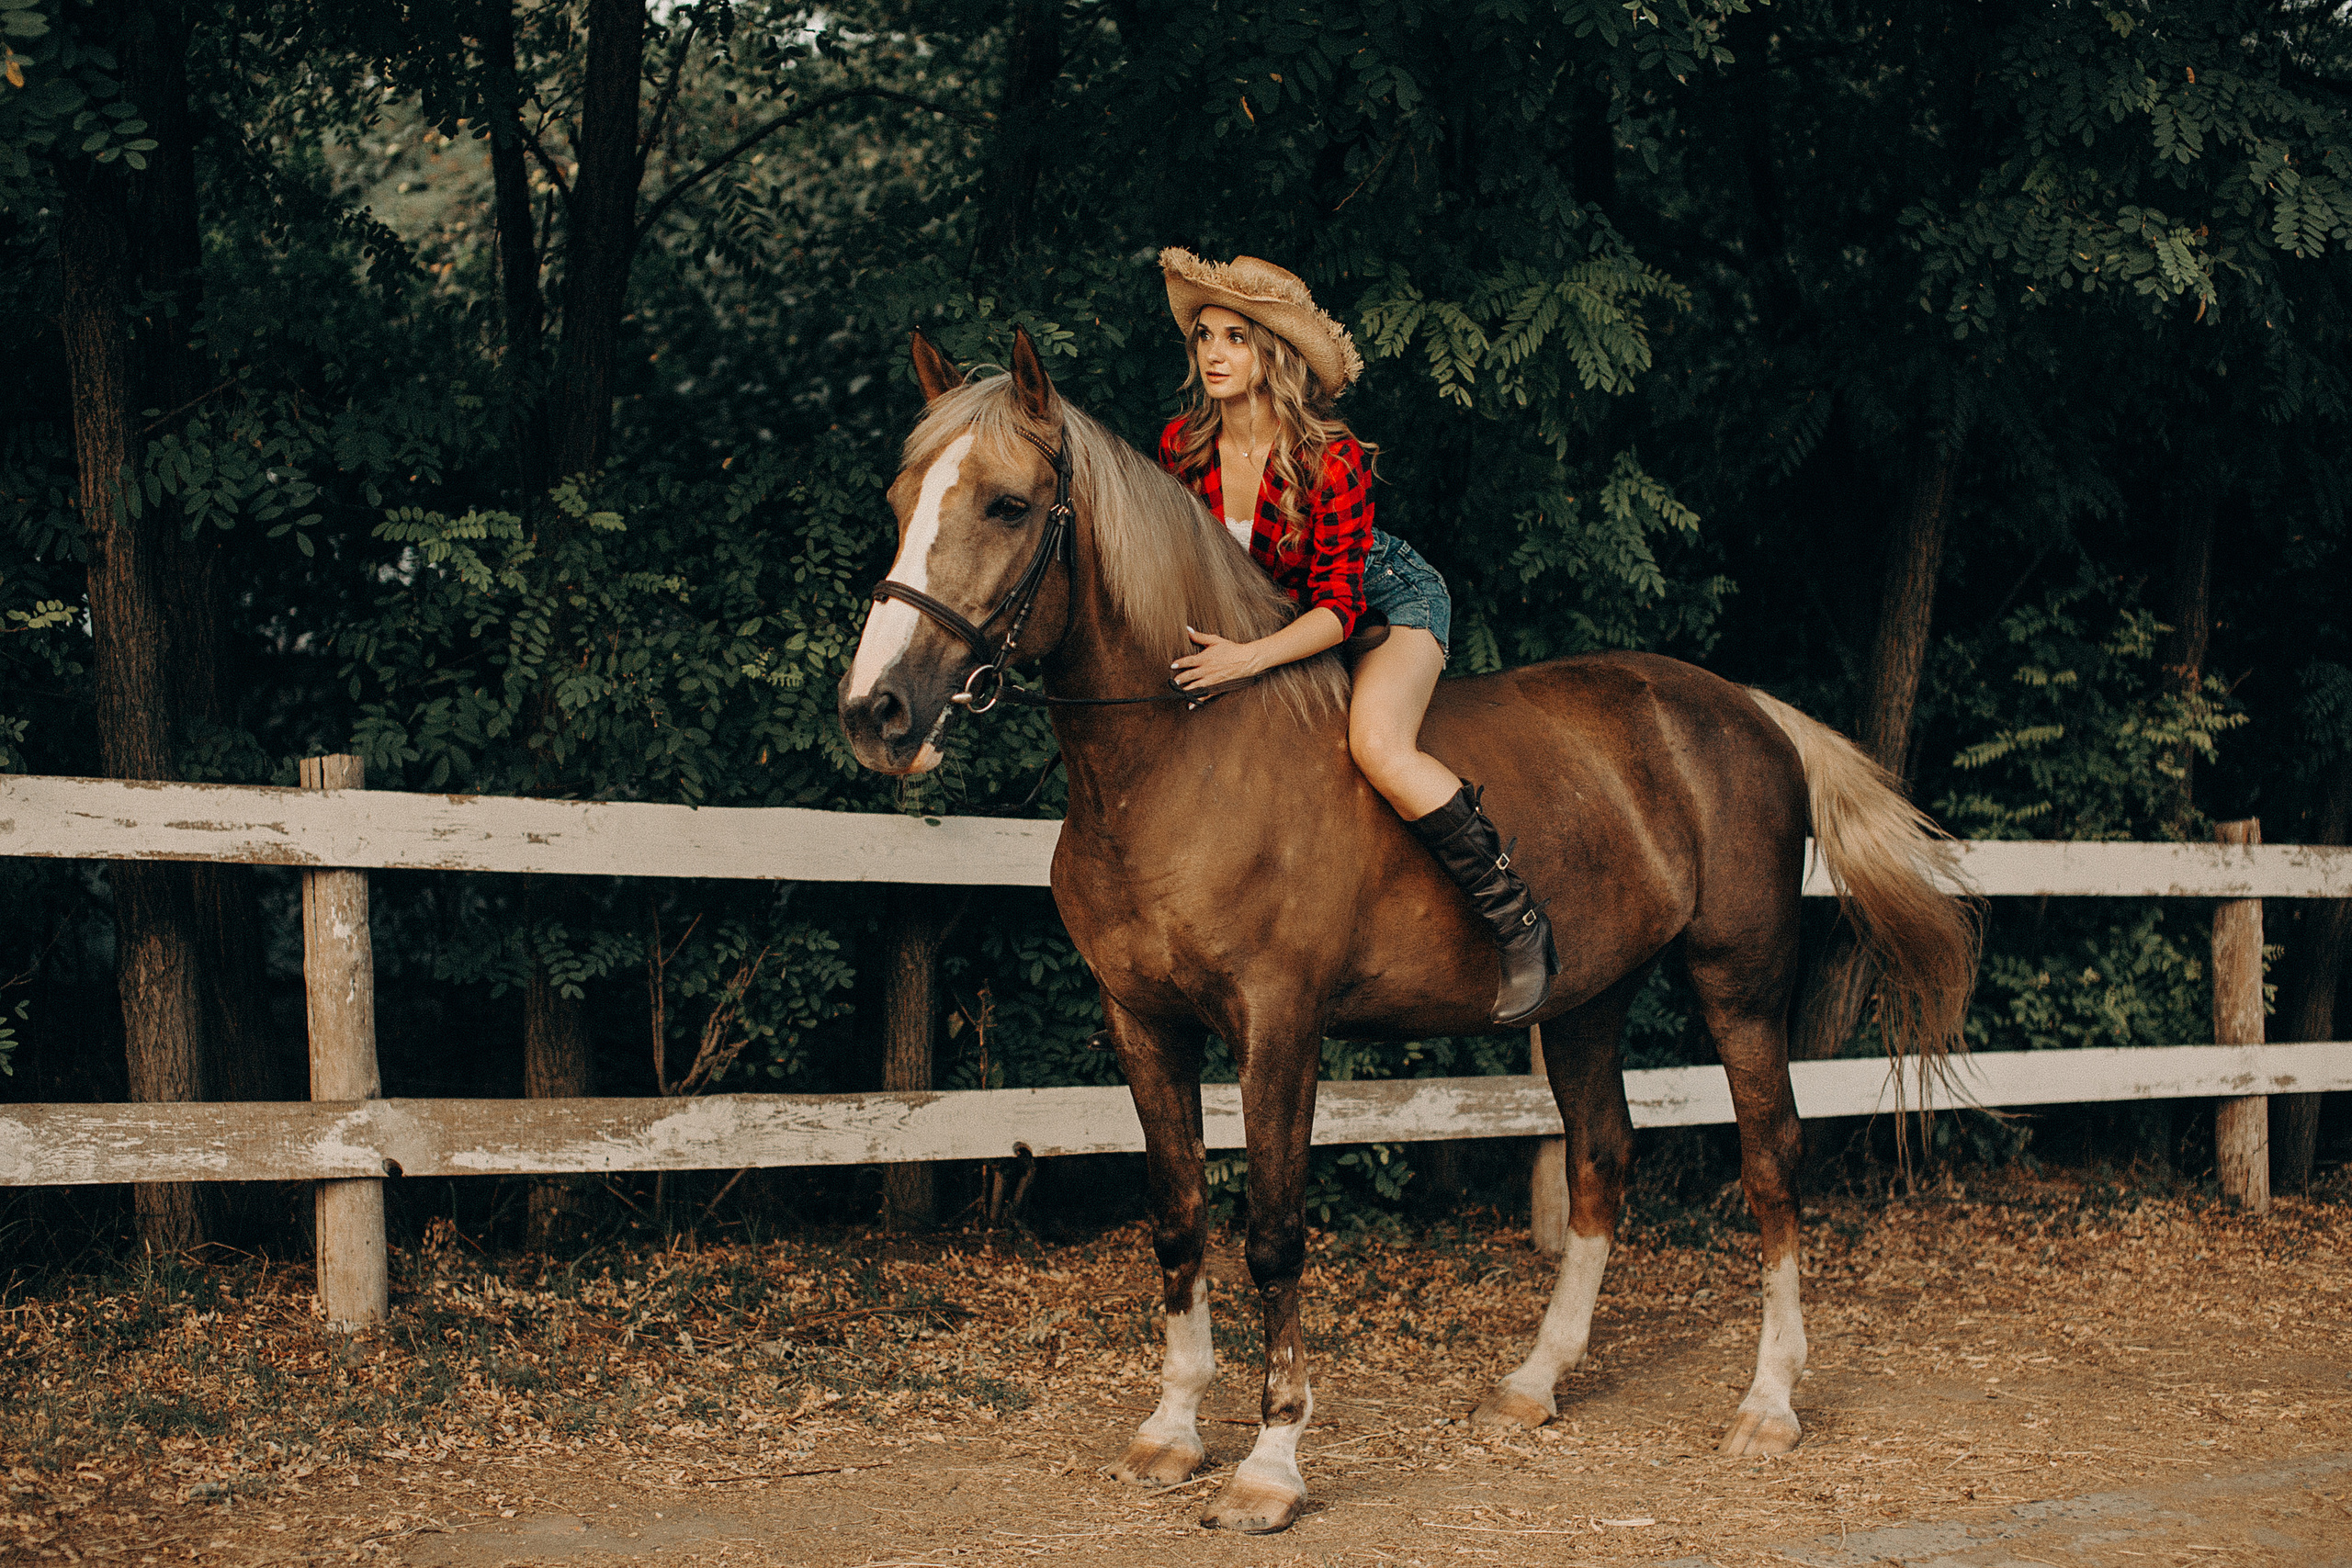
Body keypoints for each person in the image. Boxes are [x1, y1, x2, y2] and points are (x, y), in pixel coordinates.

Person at [1154, 248, 1556, 1027]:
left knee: (1378, 744)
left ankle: (1518, 920)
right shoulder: (1182, 447)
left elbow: (1336, 608)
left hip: (1380, 604)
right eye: (1204, 335)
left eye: (1235, 337)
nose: (1213, 352)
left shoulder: (1327, 458)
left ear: (1271, 354)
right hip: (1272, 622)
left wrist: (1243, 660)